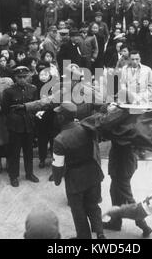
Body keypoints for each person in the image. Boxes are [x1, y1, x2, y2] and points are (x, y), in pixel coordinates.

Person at [52, 102, 105, 239]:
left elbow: (57, 165)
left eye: (58, 114)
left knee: (78, 211)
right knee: (93, 205)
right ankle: (100, 233)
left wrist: (57, 180)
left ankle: (84, 237)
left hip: (75, 179)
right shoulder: (86, 127)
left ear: (62, 118)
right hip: (93, 173)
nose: (57, 116)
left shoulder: (60, 140)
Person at [102, 140, 152, 237]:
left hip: (122, 165)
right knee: (115, 191)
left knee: (127, 198)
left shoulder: (122, 127)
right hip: (124, 163)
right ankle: (115, 221)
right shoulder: (128, 126)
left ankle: (143, 225)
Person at [1, 66, 39, 187]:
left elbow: (36, 105)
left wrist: (32, 117)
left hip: (29, 124)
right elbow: (5, 109)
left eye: (24, 77)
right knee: (14, 152)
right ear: (15, 77)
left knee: (29, 151)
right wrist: (13, 119)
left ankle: (29, 173)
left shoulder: (33, 89)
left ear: (28, 76)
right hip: (15, 125)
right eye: (19, 77)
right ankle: (14, 176)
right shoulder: (8, 91)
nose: (22, 79)